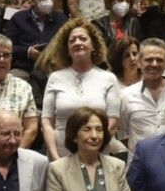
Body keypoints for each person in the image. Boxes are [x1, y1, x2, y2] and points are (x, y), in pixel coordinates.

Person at [38, 18, 121, 158]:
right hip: (60, 155)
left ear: (94, 45)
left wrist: (92, 147)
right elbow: (47, 122)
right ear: (68, 49)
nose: (77, 42)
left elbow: (112, 123)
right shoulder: (55, 78)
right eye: (72, 40)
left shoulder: (108, 78)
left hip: (97, 154)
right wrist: (54, 157)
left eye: (83, 38)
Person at [6, 0, 65, 77]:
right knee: (14, 79)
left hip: (53, 67)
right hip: (25, 67)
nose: (50, 2)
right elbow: (8, 46)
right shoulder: (18, 18)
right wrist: (28, 52)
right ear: (33, 0)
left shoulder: (61, 18)